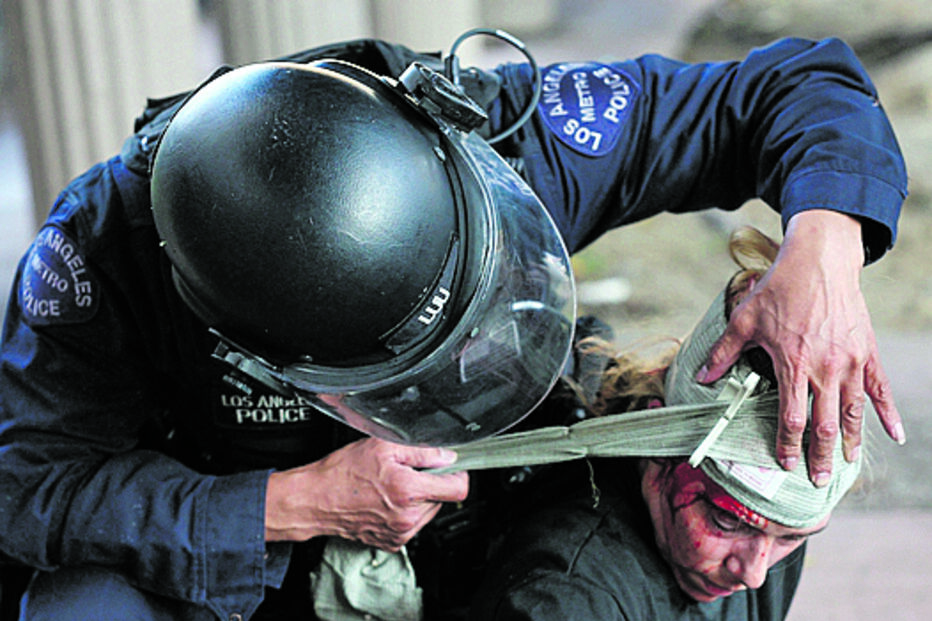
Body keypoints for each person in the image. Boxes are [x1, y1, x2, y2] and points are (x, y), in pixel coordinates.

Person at [0, 27, 905, 620]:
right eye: (405, 377)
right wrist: (288, 504)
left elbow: (793, 84)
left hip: (491, 521)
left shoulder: (507, 133)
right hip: (234, 559)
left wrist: (822, 257)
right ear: (265, 354)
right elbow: (27, 489)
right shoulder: (100, 257)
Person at [466, 226, 865, 620]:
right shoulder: (569, 598)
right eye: (725, 520)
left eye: (793, 537)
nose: (756, 574)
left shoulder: (772, 518)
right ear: (657, 450)